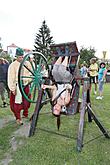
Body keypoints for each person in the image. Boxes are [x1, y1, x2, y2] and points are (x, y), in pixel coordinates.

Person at [8, 48, 31, 125]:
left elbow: (31, 73)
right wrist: (12, 88)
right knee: (16, 104)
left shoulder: (27, 63)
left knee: (27, 101)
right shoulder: (13, 65)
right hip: (17, 86)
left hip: (26, 84)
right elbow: (11, 77)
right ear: (16, 57)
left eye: (22, 56)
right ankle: (18, 118)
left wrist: (29, 80)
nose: (21, 58)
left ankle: (25, 113)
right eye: (19, 57)